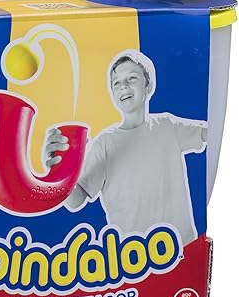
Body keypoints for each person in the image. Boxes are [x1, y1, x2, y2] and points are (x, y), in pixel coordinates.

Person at [44, 50, 207, 246]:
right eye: (117, 83)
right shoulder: (104, 143)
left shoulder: (168, 126)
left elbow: (209, 133)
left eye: (132, 78)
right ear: (113, 94)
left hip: (182, 248)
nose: (124, 86)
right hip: (132, 256)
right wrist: (59, 169)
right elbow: (75, 201)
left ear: (148, 86)